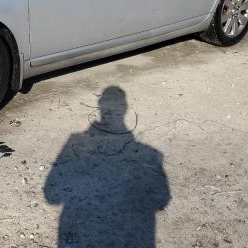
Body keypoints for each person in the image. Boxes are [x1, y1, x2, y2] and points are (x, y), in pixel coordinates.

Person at [44, 86, 170, 247]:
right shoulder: (151, 155)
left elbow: (51, 196)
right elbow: (162, 201)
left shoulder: (75, 141)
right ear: (125, 109)